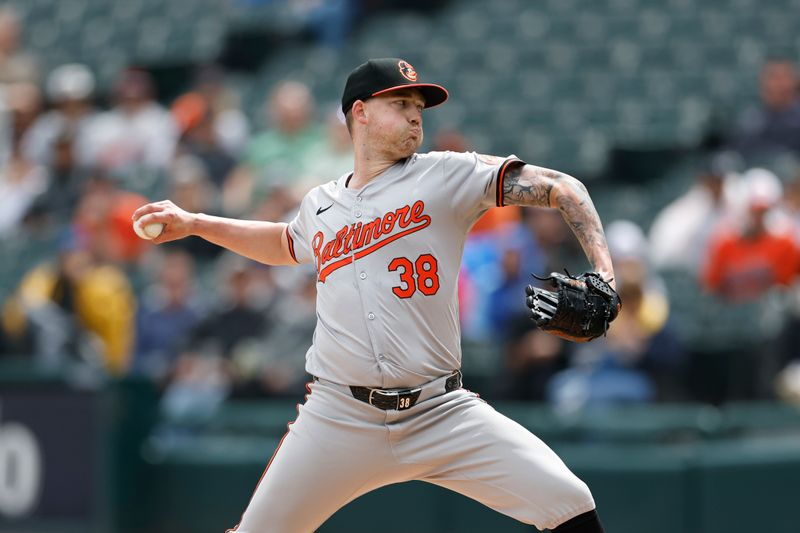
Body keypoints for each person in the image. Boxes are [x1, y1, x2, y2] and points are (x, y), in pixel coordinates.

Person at [133, 58, 614, 533]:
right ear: (359, 112)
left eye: (419, 108)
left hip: (440, 411)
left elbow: (562, 188)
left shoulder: (447, 175)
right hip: (339, 416)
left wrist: (605, 277)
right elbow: (284, 243)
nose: (414, 115)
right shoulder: (320, 203)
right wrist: (195, 223)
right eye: (401, 103)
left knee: (570, 503)